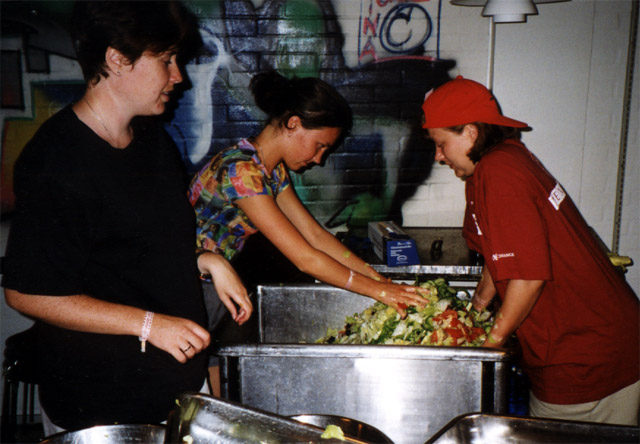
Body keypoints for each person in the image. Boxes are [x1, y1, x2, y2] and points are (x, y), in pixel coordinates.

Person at [1, 0, 252, 435]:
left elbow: (130, 247)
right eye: (166, 60)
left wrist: (205, 260)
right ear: (117, 59)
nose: (179, 76)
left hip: (171, 392)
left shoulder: (152, 139)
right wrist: (149, 325)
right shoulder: (56, 161)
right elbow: (27, 293)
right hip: (100, 402)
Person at [421, 75, 639, 425]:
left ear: (471, 133)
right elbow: (500, 256)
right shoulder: (489, 169)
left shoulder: (500, 172)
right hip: (575, 345)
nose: (438, 156)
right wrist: (475, 311)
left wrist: (488, 345)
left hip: (588, 355)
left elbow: (527, 276)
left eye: (441, 144)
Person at [189, 70, 426, 317]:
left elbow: (314, 235)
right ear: (293, 124)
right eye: (320, 145)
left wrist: (380, 281)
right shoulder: (243, 172)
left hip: (212, 278)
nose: (319, 159)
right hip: (194, 282)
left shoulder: (271, 170)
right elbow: (305, 258)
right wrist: (379, 292)